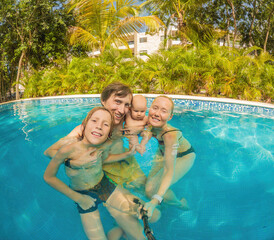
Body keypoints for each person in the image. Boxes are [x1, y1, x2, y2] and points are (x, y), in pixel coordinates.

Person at [44, 107, 150, 240]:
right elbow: (48, 177)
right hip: (82, 194)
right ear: (84, 125)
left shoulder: (103, 146)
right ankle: (117, 231)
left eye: (106, 124)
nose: (99, 126)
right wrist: (79, 198)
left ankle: (118, 230)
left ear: (108, 132)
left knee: (150, 213)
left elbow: (105, 158)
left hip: (104, 185)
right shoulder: (68, 150)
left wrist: (127, 154)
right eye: (94, 121)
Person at [44, 82, 146, 188]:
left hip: (126, 159)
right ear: (103, 100)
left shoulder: (126, 119)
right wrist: (71, 163)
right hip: (105, 169)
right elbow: (49, 151)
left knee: (147, 188)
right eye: (117, 102)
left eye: (126, 105)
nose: (121, 110)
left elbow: (148, 124)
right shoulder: (86, 129)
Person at [143, 96, 196, 219]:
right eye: (155, 108)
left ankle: (181, 204)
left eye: (164, 111)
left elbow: (168, 170)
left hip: (183, 156)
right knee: (148, 190)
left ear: (170, 117)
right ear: (149, 109)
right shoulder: (149, 122)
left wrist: (155, 201)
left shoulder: (170, 136)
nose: (157, 113)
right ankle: (164, 201)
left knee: (151, 191)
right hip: (162, 152)